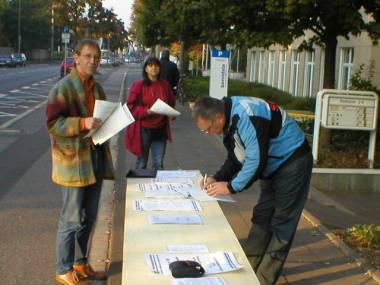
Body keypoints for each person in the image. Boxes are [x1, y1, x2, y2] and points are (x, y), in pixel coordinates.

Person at [192, 96, 313, 285]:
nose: (207, 133)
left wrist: (231, 186)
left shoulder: (248, 116)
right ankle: (248, 267)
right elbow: (236, 157)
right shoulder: (229, 117)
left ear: (218, 119)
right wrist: (218, 177)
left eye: (207, 129)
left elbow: (256, 161)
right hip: (273, 166)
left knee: (282, 224)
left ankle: (263, 279)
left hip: (292, 162)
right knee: (262, 216)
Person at [46, 39, 115, 285]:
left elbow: (102, 119)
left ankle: (80, 262)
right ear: (76, 58)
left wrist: (113, 122)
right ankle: (63, 269)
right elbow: (53, 124)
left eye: (96, 57)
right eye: (87, 56)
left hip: (94, 156)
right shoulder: (63, 87)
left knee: (90, 215)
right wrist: (81, 123)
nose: (92, 61)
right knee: (71, 218)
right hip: (73, 161)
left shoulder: (97, 89)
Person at [125, 57, 176, 170]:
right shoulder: (139, 85)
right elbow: (130, 107)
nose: (154, 67)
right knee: (142, 162)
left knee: (158, 163)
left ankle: (156, 187)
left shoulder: (165, 85)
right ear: (146, 69)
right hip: (144, 129)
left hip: (161, 129)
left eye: (156, 65)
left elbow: (171, 102)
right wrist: (146, 111)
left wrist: (171, 113)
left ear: (159, 68)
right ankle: (138, 186)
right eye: (150, 65)